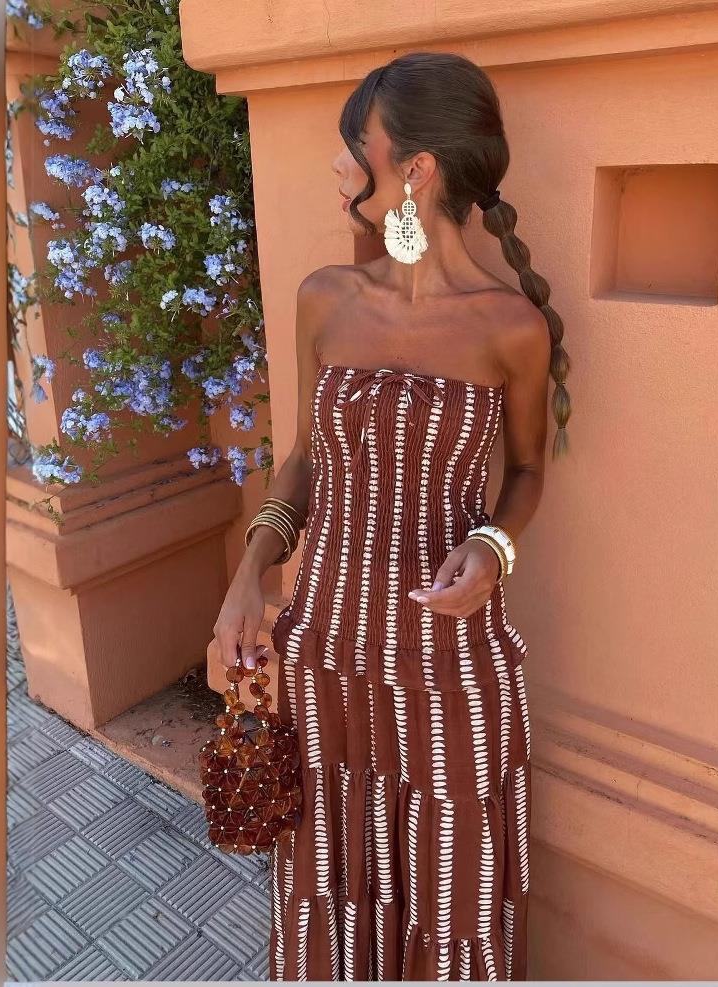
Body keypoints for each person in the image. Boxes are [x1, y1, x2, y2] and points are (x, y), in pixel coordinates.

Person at [214, 50, 571, 981]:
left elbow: (527, 470)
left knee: (450, 886)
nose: (338, 165)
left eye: (354, 145)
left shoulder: (510, 326)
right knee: (331, 867)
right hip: (324, 647)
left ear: (414, 168)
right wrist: (250, 573)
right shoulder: (325, 300)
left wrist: (491, 548)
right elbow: (303, 459)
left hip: (449, 659)